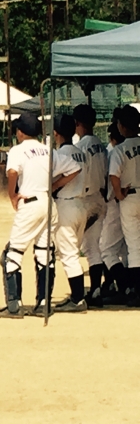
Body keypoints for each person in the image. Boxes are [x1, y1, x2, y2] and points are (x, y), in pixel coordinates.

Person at [0, 113, 81, 319]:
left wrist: (12, 194)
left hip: (30, 202)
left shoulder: (17, 150)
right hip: (47, 202)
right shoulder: (47, 150)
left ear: (21, 132)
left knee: (13, 253)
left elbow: (12, 172)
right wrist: (54, 185)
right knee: (44, 252)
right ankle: (43, 303)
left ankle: (14, 305)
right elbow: (75, 168)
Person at [50, 115, 88, 313]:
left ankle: (78, 299)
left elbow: (52, 179)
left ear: (56, 133)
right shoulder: (81, 152)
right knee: (73, 251)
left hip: (66, 205)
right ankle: (77, 296)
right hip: (82, 203)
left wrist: (55, 185)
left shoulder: (60, 154)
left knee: (69, 255)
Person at [73, 104, 108, 304]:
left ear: (77, 123)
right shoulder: (100, 145)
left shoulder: (81, 146)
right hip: (100, 198)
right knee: (95, 246)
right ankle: (96, 289)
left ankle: (85, 292)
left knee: (85, 246)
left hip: (86, 200)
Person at [108, 105, 140, 306]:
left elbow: (114, 175)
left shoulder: (119, 149)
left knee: (134, 245)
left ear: (122, 126)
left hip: (130, 197)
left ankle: (136, 291)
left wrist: (119, 194)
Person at [98, 118, 128, 305]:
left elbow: (110, 184)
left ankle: (124, 286)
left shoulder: (114, 153)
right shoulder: (126, 152)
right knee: (126, 248)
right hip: (128, 200)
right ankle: (127, 286)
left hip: (115, 203)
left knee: (106, 250)